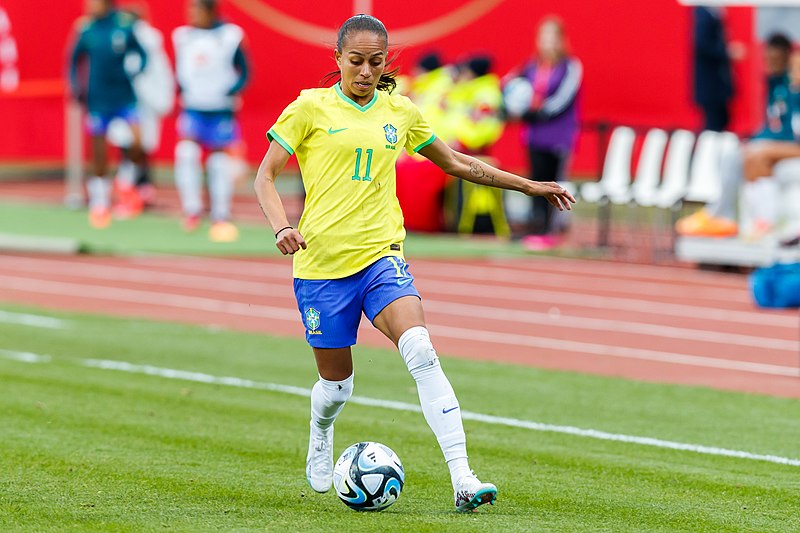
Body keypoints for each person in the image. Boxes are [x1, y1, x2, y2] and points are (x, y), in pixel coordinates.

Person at [253, 14, 574, 512]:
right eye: (355, 61)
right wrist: (281, 227)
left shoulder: (400, 112)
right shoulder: (308, 107)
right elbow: (265, 177)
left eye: (374, 62)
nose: (363, 71)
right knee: (337, 386)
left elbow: (460, 163)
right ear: (337, 59)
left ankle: (464, 479)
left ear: (386, 63)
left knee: (421, 350)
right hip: (320, 269)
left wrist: (529, 185)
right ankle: (321, 430)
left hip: (381, 256)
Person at [677, 34, 795, 239]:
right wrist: (757, 141)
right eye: (767, 58)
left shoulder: (791, 88)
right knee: (735, 155)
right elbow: (773, 125)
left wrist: (762, 144)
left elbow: (788, 131)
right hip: (781, 145)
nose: (769, 63)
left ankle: (766, 222)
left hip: (788, 147)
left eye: (775, 59)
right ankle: (726, 217)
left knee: (755, 156)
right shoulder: (774, 84)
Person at [173, 0, 249, 242]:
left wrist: (230, 90)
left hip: (219, 111)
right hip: (193, 108)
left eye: (196, 10)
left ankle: (220, 214)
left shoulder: (229, 36)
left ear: (209, 11)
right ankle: (192, 210)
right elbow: (181, 71)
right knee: (186, 153)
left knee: (218, 162)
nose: (191, 15)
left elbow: (245, 71)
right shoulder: (183, 37)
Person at [505, 16, 582, 249]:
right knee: (535, 181)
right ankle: (535, 226)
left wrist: (536, 113)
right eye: (543, 37)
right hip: (535, 136)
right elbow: (509, 83)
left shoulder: (570, 66)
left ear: (561, 40)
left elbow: (561, 100)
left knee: (555, 183)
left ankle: (551, 228)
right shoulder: (531, 65)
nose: (547, 42)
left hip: (558, 136)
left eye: (552, 37)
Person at [68, 0, 147, 229]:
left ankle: (124, 183)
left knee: (137, 142)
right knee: (99, 155)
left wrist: (137, 69)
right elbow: (74, 60)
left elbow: (141, 53)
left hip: (124, 98)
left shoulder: (124, 26)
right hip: (98, 101)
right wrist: (76, 86)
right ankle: (100, 204)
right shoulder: (87, 29)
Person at [107, 2, 175, 217]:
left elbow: (139, 71)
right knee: (134, 147)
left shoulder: (140, 39)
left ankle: (133, 193)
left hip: (138, 102)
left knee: (133, 148)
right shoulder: (128, 37)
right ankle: (142, 189)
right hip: (137, 102)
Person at [692, 6, 735, 132]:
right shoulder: (704, 14)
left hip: (716, 84)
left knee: (722, 120)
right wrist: (726, 52)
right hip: (711, 84)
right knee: (713, 125)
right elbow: (701, 44)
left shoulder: (714, 12)